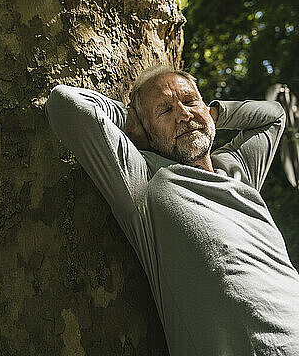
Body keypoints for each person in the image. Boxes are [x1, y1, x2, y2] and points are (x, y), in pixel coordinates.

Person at [45, 64, 299, 356]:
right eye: (165, 111)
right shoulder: (144, 179)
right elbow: (65, 103)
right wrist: (132, 120)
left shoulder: (236, 171)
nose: (183, 114)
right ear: (145, 135)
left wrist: (210, 114)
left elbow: (274, 116)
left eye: (189, 101)